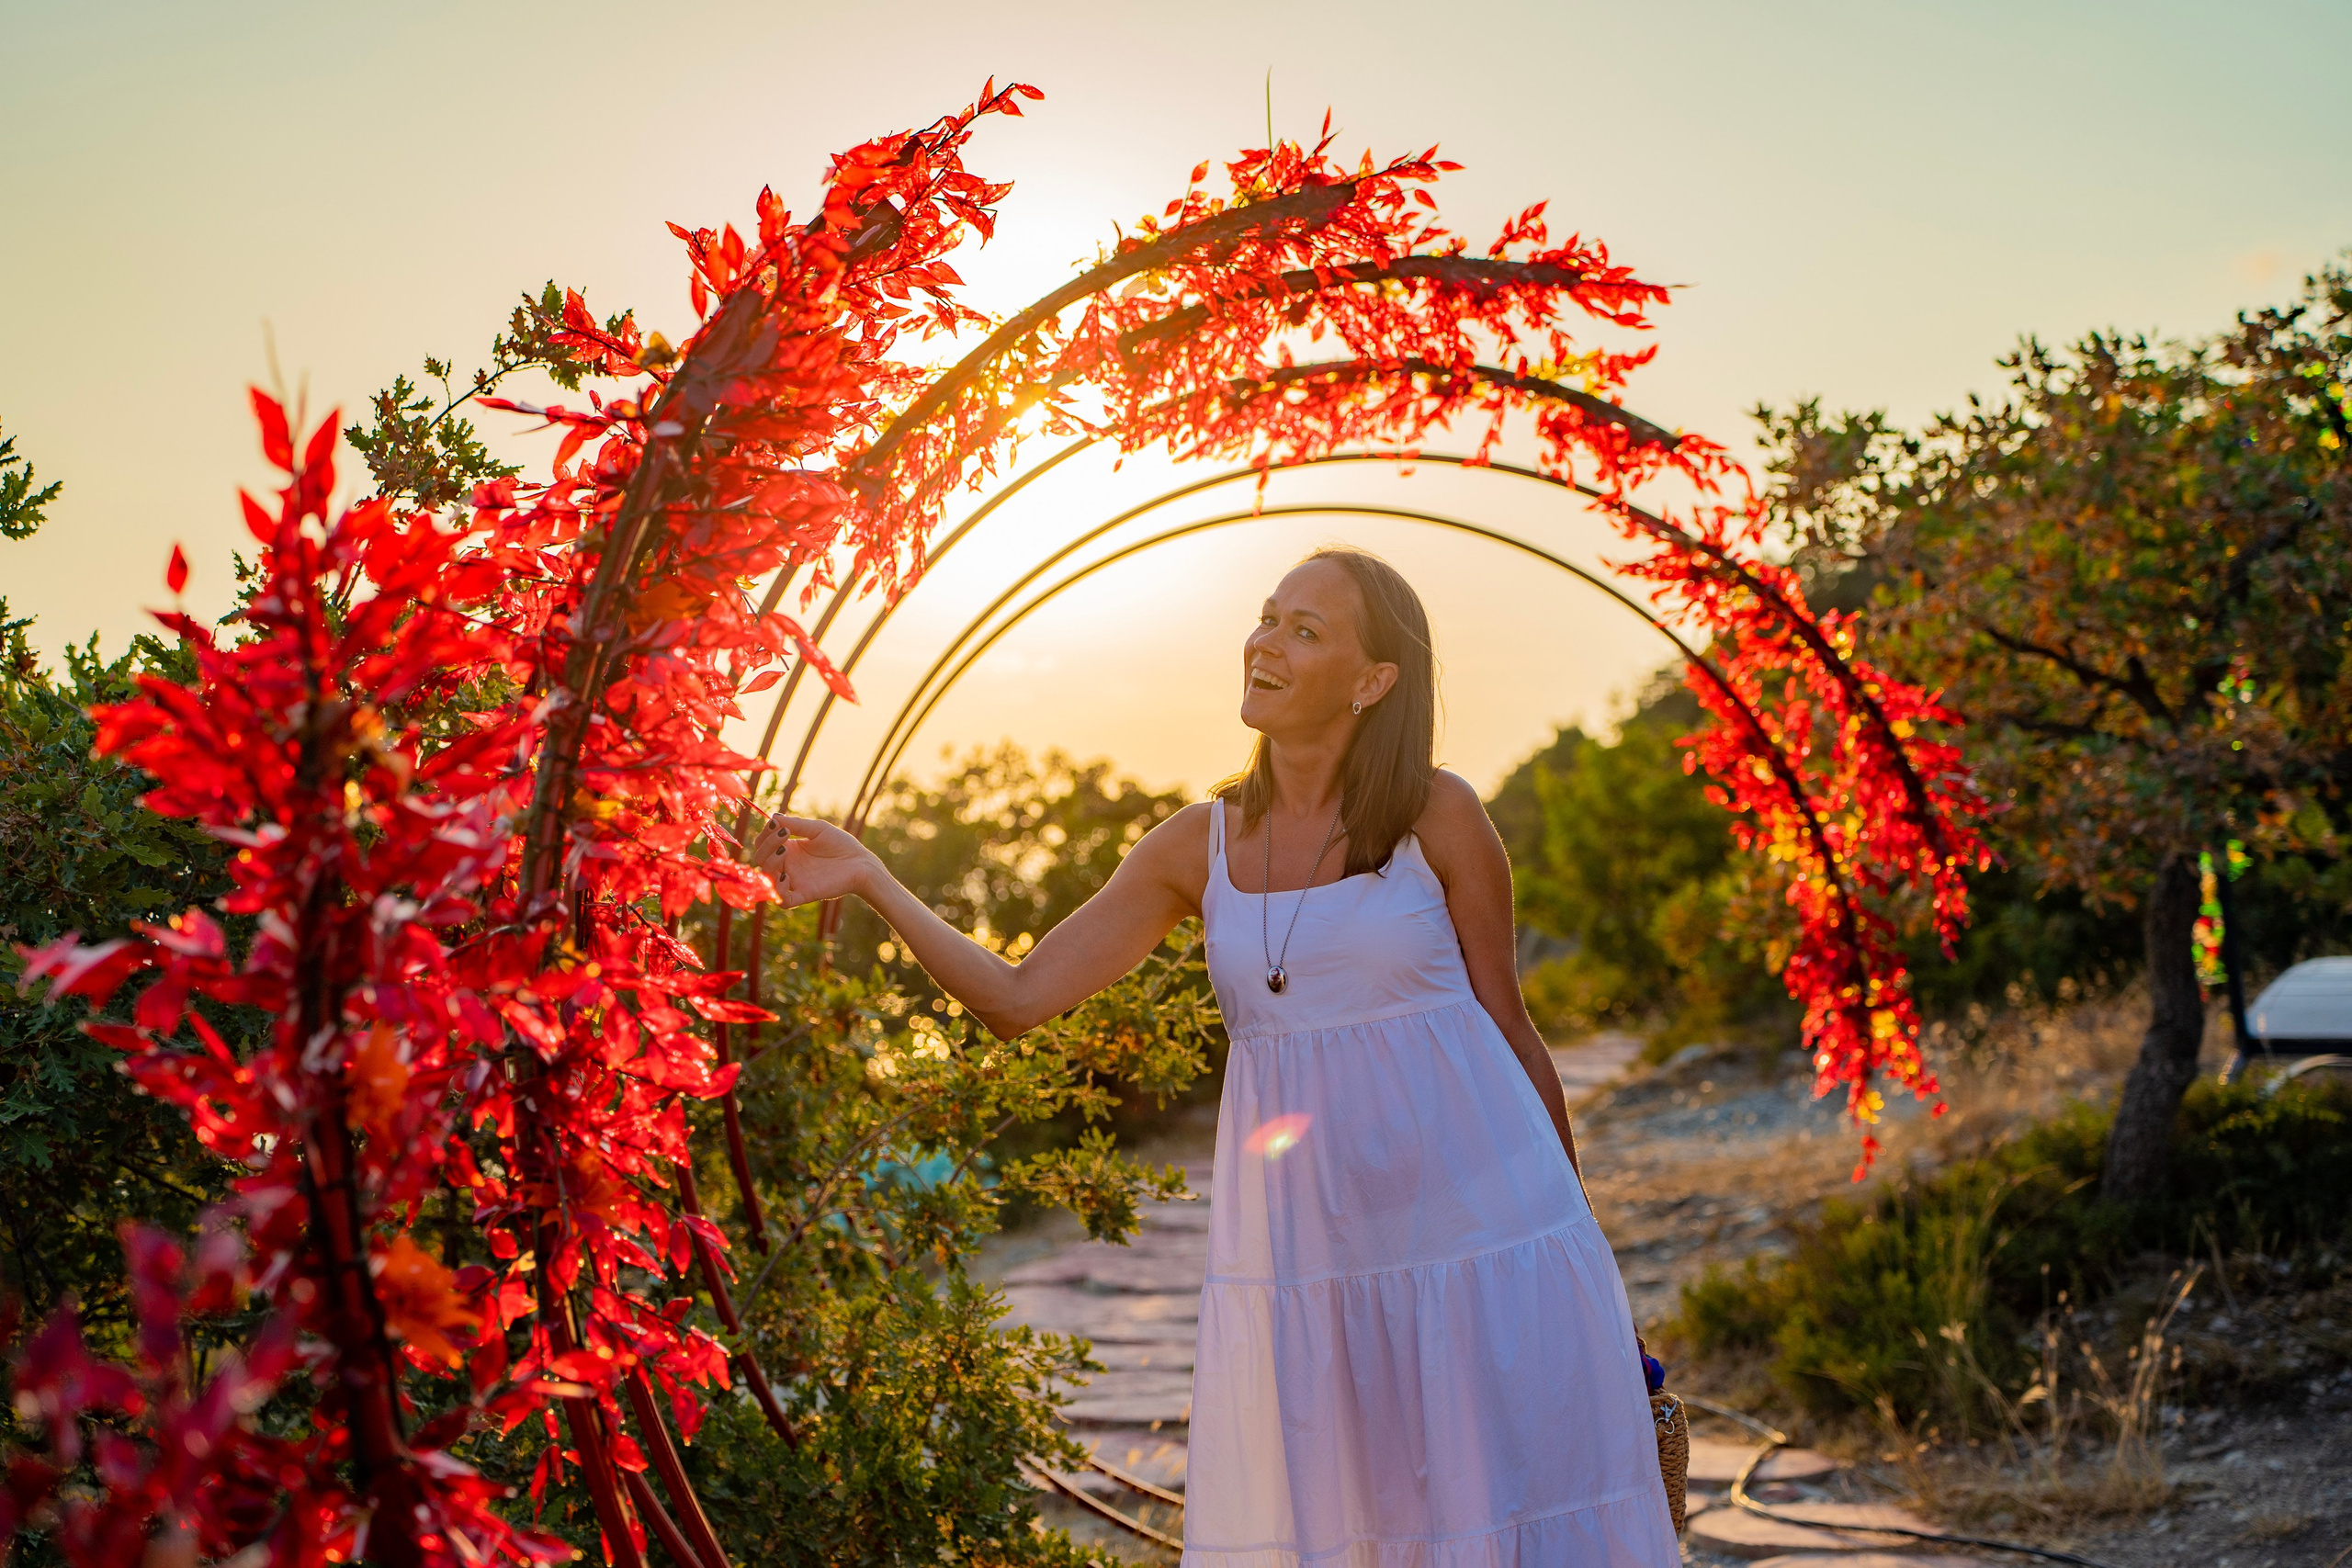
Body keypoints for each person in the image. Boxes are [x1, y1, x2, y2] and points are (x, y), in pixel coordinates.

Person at [752, 547, 1678, 1567]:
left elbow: (1509, 1027)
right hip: (1321, 1263)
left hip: (1490, 1236)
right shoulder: (1196, 846)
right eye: (1267, 616)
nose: (1265, 642)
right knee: (1369, 1528)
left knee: (1513, 1510)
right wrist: (876, 879)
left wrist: (1579, 1249)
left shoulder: (1439, 814)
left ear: (1373, 683)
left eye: (1305, 630)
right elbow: (1016, 999)